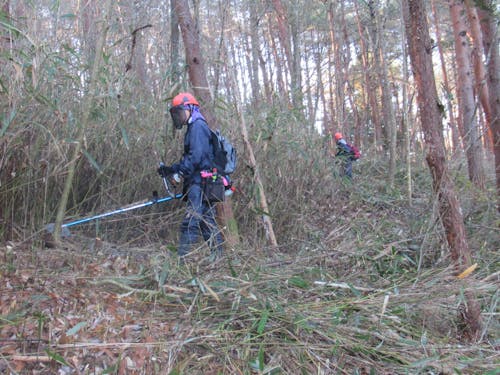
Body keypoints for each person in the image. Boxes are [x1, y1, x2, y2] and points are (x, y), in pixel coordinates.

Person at [158, 92, 224, 263]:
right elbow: (192, 157)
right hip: (201, 182)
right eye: (176, 113)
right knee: (206, 222)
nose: (178, 117)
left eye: (180, 112)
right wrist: (171, 169)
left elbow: (196, 157)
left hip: (201, 184)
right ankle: (219, 257)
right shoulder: (194, 127)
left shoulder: (198, 126)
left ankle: (182, 261)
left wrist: (179, 174)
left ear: (190, 109)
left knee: (191, 221)